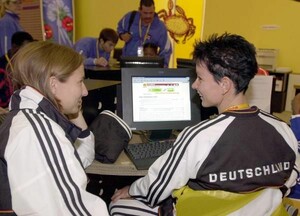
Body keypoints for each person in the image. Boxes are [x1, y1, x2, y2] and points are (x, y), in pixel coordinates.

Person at [109, 33, 300, 215]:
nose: (194, 85)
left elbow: (155, 189)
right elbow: (291, 180)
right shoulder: (283, 129)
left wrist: (131, 190)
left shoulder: (199, 136)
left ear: (224, 85)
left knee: (118, 206)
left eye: (200, 78)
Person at [0, 41, 109, 215]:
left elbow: (80, 159)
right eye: (80, 82)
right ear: (53, 84)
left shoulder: (27, 117)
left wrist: (73, 111)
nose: (85, 91)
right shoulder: (39, 131)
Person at [117, 0, 172, 67]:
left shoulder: (160, 27)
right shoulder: (130, 17)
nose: (148, 16)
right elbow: (119, 28)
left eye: (151, 13)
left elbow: (166, 49)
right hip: (128, 64)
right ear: (139, 10)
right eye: (145, 13)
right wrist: (122, 35)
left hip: (149, 67)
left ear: (154, 9)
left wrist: (162, 68)